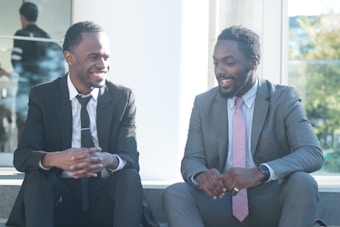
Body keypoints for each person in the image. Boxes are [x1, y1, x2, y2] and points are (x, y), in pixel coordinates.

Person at [163, 25, 324, 227]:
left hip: (270, 200)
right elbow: (191, 160)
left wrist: (259, 172)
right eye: (216, 63)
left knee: (303, 182)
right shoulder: (203, 103)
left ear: (253, 62)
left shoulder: (283, 99)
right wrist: (202, 176)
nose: (220, 70)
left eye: (228, 62)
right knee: (176, 193)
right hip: (221, 200)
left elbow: (312, 153)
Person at [6, 21, 144, 227]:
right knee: (37, 178)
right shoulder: (43, 96)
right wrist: (55, 159)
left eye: (106, 57)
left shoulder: (122, 98)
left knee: (129, 178)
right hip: (60, 200)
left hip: (104, 199)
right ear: (69, 58)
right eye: (94, 57)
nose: (103, 65)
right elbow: (22, 157)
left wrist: (109, 160)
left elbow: (131, 159)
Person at [11, 1, 65, 139]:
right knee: (42, 126)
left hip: (26, 89)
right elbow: (57, 60)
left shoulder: (21, 34)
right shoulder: (45, 37)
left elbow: (15, 61)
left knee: (23, 125)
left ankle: (25, 158)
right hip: (44, 89)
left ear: (22, 17)